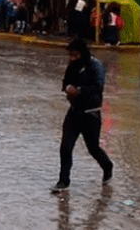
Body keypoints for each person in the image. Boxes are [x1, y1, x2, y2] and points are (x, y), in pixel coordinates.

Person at [52, 38, 113, 192]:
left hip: (91, 114)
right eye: (70, 55)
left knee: (93, 148)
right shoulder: (71, 67)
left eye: (75, 55)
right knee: (66, 147)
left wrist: (80, 90)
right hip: (74, 113)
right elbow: (65, 82)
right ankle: (63, 181)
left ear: (83, 54)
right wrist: (67, 88)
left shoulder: (95, 66)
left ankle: (107, 166)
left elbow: (98, 87)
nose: (72, 59)